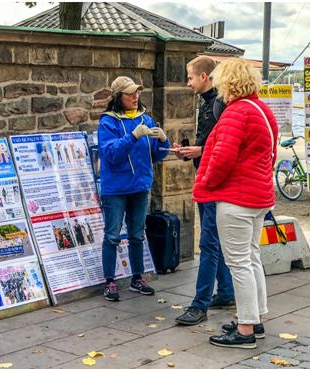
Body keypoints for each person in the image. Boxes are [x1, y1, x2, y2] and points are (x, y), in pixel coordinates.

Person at [193, 58, 278, 349]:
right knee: (251, 258)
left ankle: (244, 331)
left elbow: (222, 158)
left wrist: (205, 184)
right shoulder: (261, 109)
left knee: (239, 263)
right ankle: (255, 319)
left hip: (236, 198)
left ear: (227, 82)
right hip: (259, 195)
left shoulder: (235, 112)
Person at [173, 56, 235, 326]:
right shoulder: (209, 102)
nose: (188, 83)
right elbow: (209, 141)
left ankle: (199, 305)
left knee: (208, 242)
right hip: (206, 175)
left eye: (190, 77)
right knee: (215, 240)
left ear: (204, 77)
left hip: (213, 181)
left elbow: (223, 146)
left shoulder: (221, 104)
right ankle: (226, 291)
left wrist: (200, 151)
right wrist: (193, 152)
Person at [98, 76, 169, 301]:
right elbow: (111, 155)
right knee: (112, 236)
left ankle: (137, 278)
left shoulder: (146, 120)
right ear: (119, 97)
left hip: (140, 186)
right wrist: (132, 136)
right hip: (116, 189)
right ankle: (109, 282)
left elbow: (157, 155)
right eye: (130, 94)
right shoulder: (107, 122)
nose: (135, 97)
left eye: (137, 93)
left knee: (137, 235)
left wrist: (164, 141)